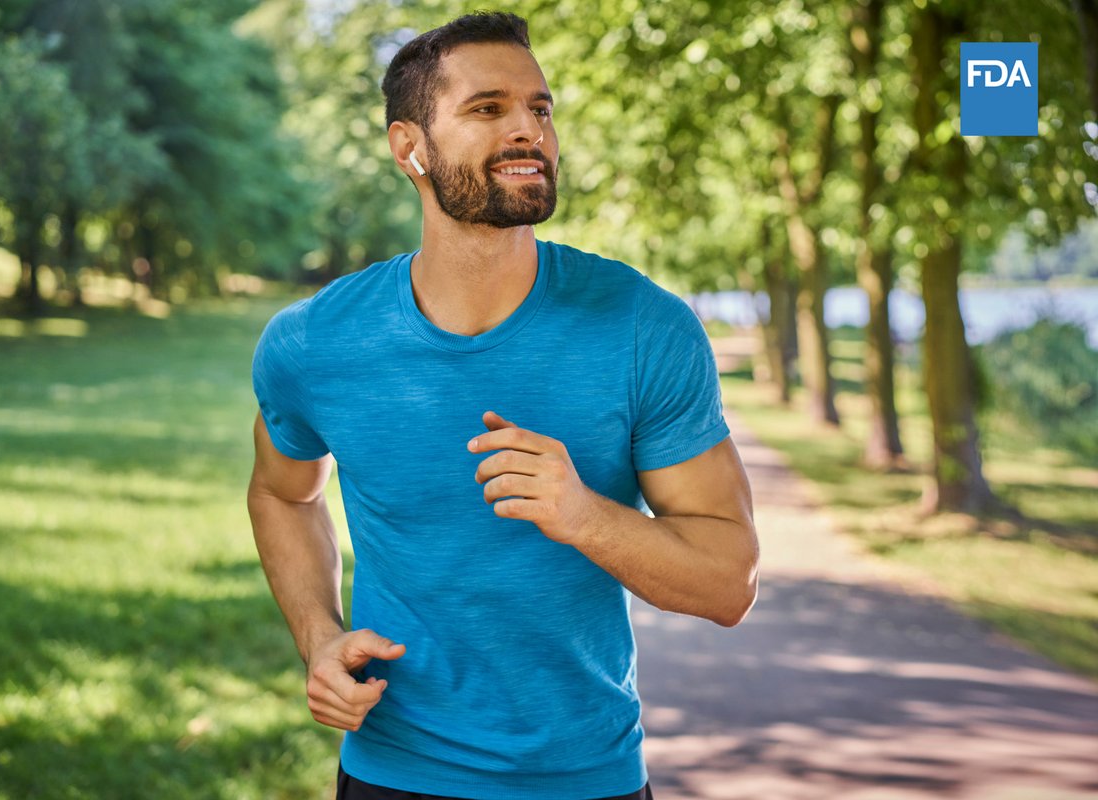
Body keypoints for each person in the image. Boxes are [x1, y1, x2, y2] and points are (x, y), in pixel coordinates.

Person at [247, 11, 759, 800]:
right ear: (408, 147)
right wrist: (319, 636)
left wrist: (583, 514)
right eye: (488, 109)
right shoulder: (315, 343)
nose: (528, 129)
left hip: (587, 778)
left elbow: (729, 583)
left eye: (540, 108)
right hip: (391, 774)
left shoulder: (642, 327)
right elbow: (285, 492)